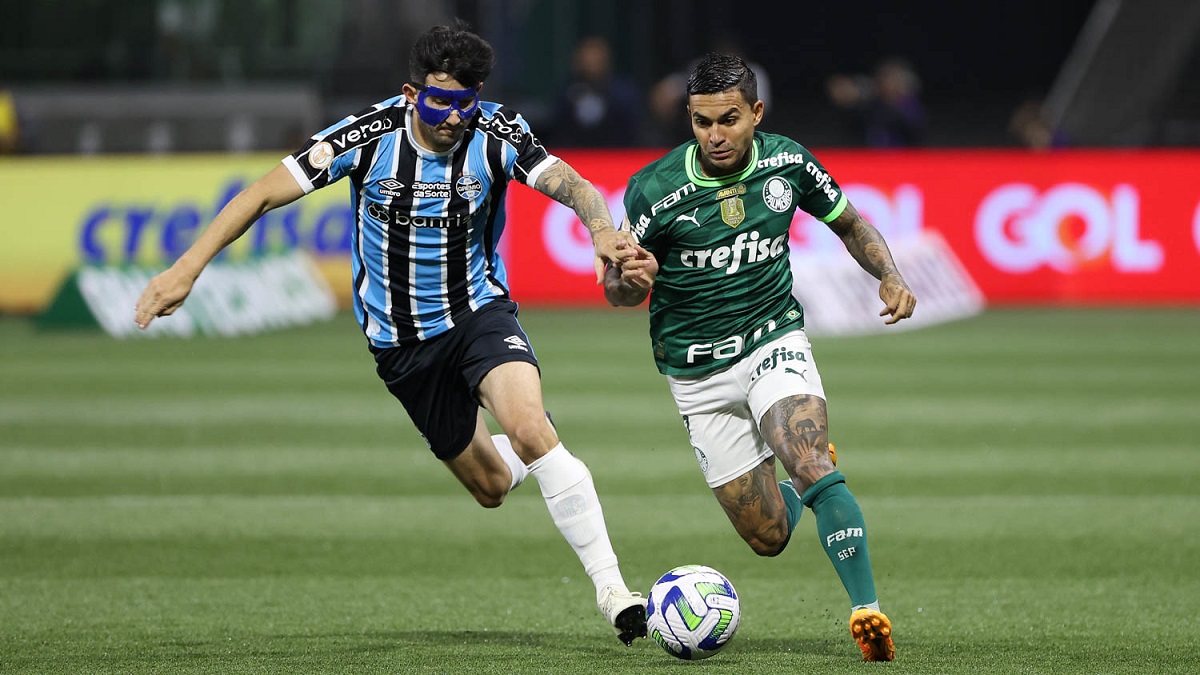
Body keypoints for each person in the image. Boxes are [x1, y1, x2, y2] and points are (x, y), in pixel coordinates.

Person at [133, 22, 648, 646]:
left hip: (479, 314)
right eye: (440, 102)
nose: (454, 117)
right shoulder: (365, 136)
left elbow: (573, 184)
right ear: (411, 94)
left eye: (465, 103)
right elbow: (261, 195)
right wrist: (186, 269)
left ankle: (614, 592)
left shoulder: (497, 133)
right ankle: (533, 450)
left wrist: (600, 230)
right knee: (490, 487)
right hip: (401, 345)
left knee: (532, 429)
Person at [603, 53, 916, 661]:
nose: (715, 135)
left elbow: (851, 224)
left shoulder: (787, 163)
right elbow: (619, 288)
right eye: (701, 122)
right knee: (768, 536)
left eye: (728, 120)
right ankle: (806, 479)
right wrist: (629, 280)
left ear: (756, 113)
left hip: (773, 339)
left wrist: (890, 275)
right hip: (696, 373)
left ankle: (867, 609)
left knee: (807, 459)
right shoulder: (653, 189)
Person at [543, 35, 642, 148]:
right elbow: (558, 131)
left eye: (596, 58)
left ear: (606, 60)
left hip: (616, 153)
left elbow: (631, 130)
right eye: (587, 58)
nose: (591, 62)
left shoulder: (623, 92)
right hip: (575, 153)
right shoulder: (566, 93)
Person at [826, 57, 925, 147]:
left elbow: (910, 126)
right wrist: (848, 102)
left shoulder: (910, 104)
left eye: (893, 78)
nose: (888, 83)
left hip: (904, 156)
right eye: (884, 78)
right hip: (871, 157)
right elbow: (855, 124)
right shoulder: (873, 105)